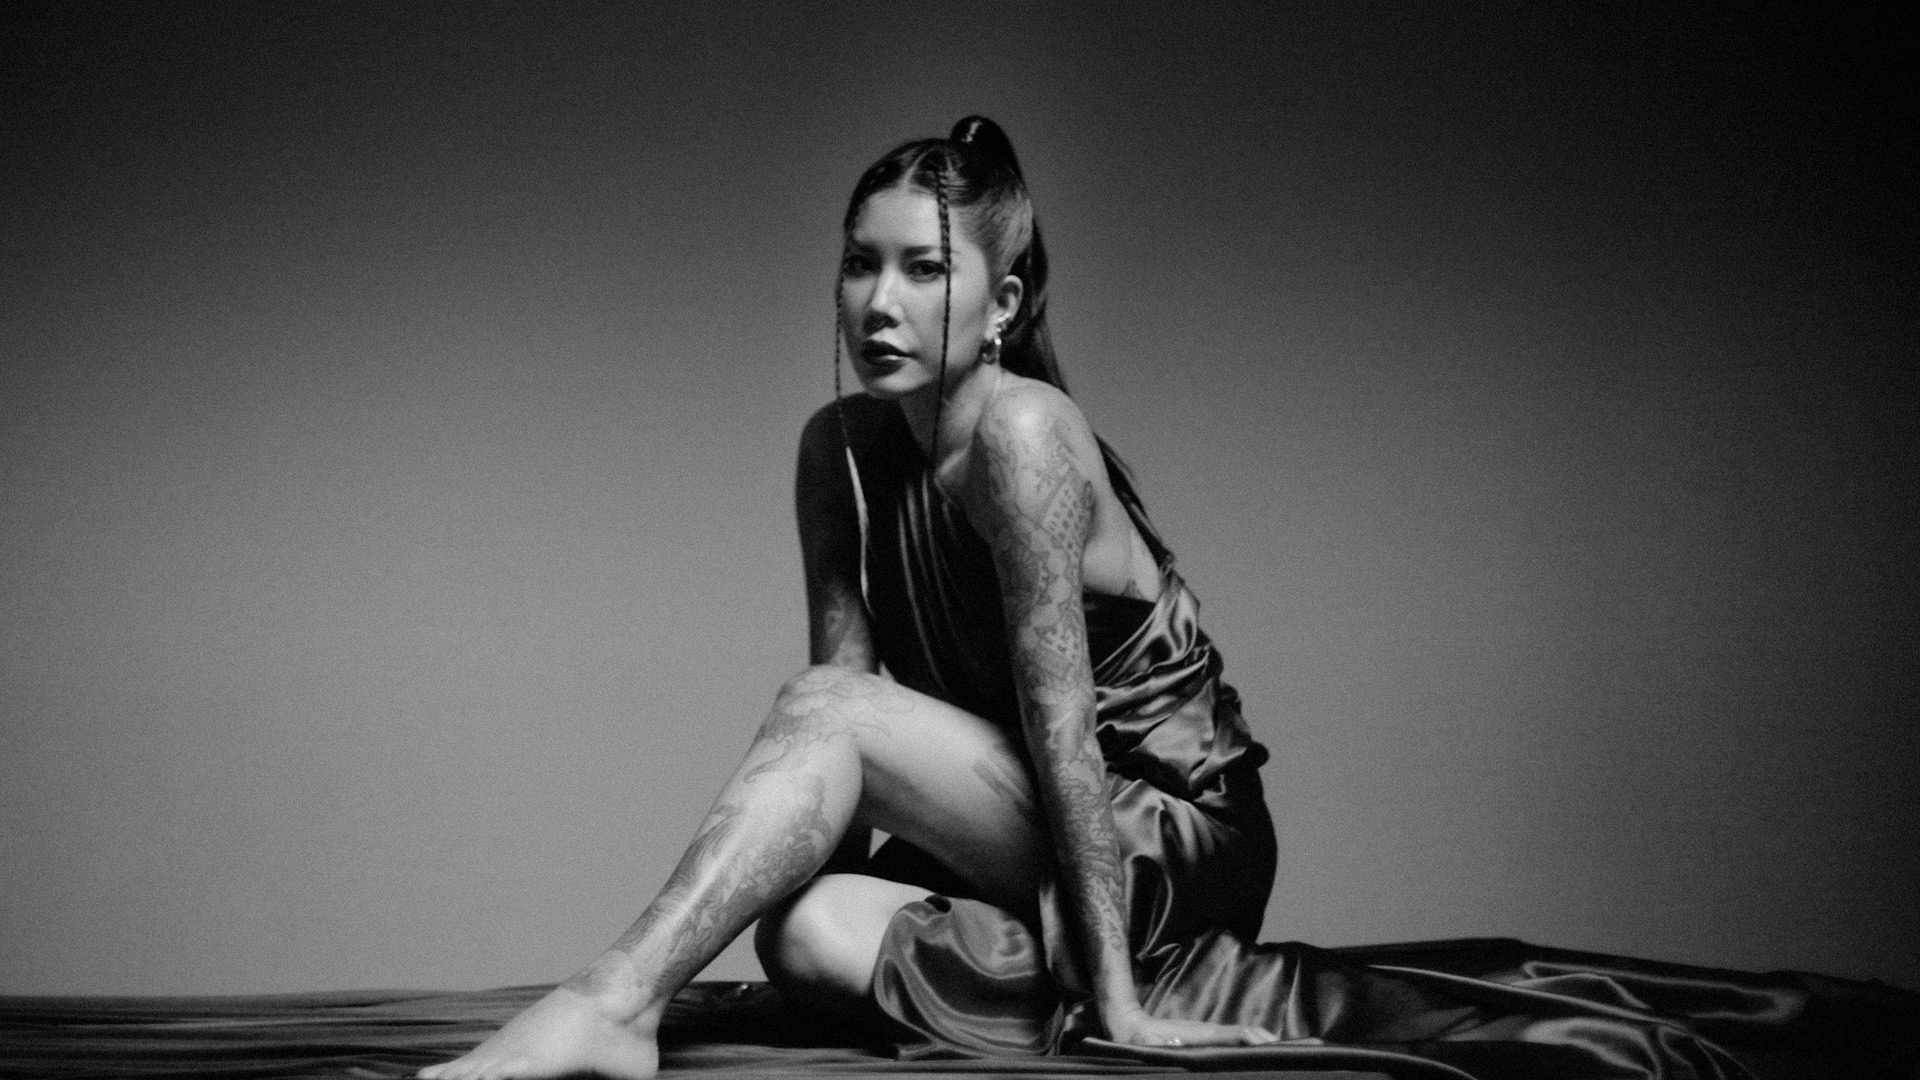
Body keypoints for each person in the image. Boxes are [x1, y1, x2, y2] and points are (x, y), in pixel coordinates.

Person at [422, 118, 1919, 1080]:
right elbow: (856, 711)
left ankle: (609, 1002)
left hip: (1164, 823)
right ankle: (977, 977)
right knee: (802, 929)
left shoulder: (1023, 437)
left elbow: (1059, 726)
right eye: (857, 266)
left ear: (1003, 304)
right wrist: (795, 915)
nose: (877, 302)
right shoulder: (836, 452)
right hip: (1010, 815)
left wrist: (1127, 1007)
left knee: (819, 726)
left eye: (922, 271)